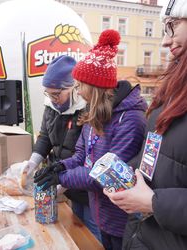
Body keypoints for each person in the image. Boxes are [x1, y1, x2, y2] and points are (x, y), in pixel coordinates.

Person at [34, 29, 147, 250]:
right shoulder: (93, 114)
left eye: (80, 85)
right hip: (101, 212)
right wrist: (59, 166)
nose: (79, 91)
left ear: (94, 86)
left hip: (122, 220)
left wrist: (61, 177)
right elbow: (80, 156)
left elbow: (104, 175)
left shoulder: (130, 119)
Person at [104, 1, 187, 249]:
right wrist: (126, 173)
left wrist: (153, 202)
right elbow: (156, 158)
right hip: (142, 236)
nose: (163, 41)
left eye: (172, 25)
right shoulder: (173, 91)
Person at [26, 55, 101, 241]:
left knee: (92, 234)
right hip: (68, 182)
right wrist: (33, 161)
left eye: (57, 94)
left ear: (74, 88)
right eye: (48, 94)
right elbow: (45, 137)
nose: (53, 99)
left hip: (87, 186)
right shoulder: (51, 105)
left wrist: (62, 180)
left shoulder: (88, 110)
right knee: (77, 229)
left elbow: (84, 155)